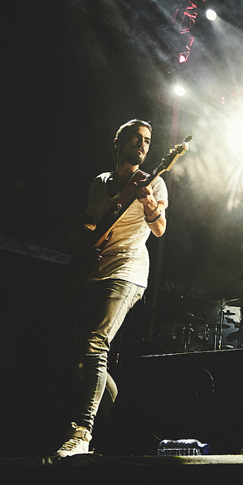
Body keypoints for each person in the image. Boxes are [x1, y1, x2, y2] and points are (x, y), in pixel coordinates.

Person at [55, 119, 168, 457]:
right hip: (94, 272)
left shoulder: (153, 182)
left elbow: (160, 229)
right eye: (136, 137)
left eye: (148, 140)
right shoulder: (100, 182)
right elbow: (92, 222)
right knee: (81, 362)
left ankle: (82, 431)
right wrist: (81, 234)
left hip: (127, 271)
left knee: (95, 344)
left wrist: (148, 204)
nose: (143, 144)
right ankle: (123, 419)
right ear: (117, 141)